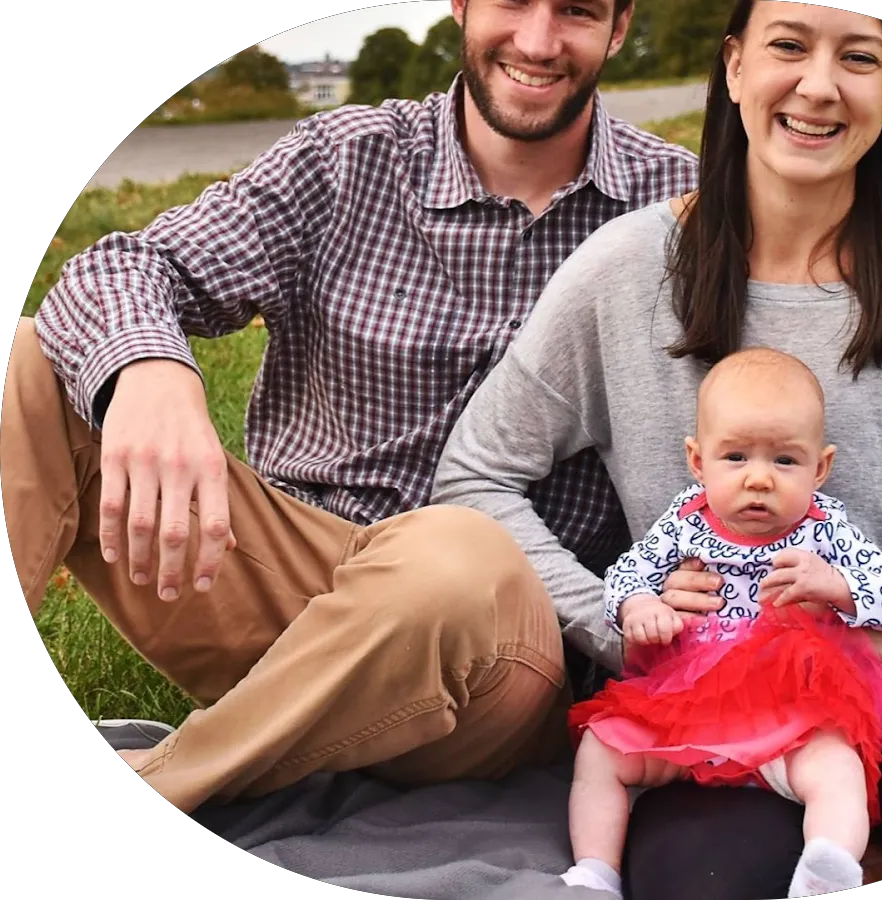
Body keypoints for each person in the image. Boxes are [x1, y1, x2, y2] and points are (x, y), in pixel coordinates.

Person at [429, 3, 882, 898]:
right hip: (722, 686)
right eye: (788, 46)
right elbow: (476, 474)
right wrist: (617, 621)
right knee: (703, 884)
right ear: (734, 67)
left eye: (859, 58)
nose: (818, 86)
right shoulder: (627, 272)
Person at [0, 0, 700, 816]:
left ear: (620, 27)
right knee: (34, 360)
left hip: (503, 656)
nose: (539, 41)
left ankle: (167, 774)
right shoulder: (345, 158)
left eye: (576, 10)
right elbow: (122, 266)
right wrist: (151, 371)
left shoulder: (678, 205)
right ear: (462, 5)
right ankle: (253, 744)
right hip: (294, 599)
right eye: (513, 0)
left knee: (458, 554)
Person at [559, 347, 882, 898]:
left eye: (785, 461)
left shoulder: (825, 530)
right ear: (697, 460)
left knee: (836, 765)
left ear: (820, 468)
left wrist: (837, 586)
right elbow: (627, 573)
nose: (759, 479)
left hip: (786, 711)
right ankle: (595, 871)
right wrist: (640, 607)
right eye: (735, 457)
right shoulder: (685, 521)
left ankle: (827, 867)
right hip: (685, 704)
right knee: (600, 750)